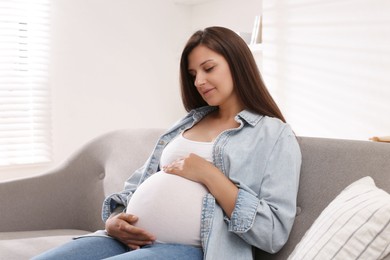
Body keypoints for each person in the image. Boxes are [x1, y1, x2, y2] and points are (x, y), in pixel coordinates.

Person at [33, 26, 301, 260]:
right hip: (124, 241)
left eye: (209, 68)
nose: (199, 81)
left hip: (199, 250)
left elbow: (273, 233)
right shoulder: (187, 122)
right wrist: (115, 220)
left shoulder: (274, 135)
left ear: (238, 63)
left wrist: (209, 175)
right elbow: (136, 186)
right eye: (193, 74)